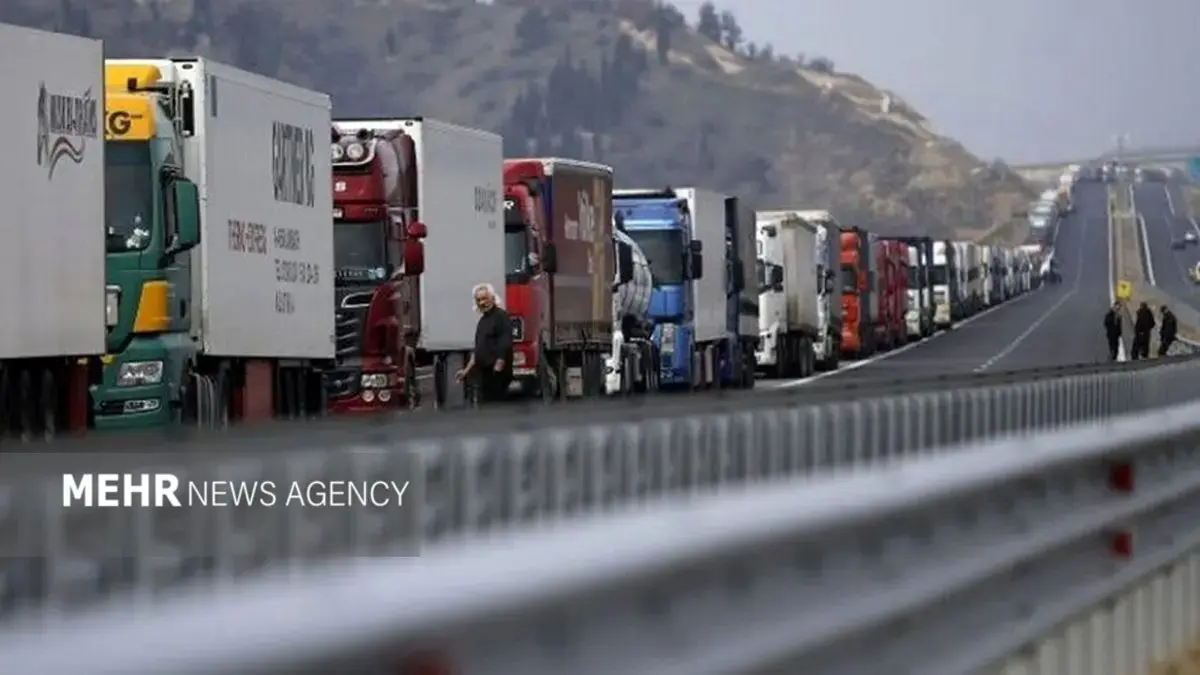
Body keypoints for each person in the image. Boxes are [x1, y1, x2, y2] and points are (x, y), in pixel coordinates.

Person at [456, 283, 513, 403]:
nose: (482, 303)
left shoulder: (500, 316)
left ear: (492, 298)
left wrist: (500, 362)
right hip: (483, 373)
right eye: (479, 300)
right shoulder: (482, 321)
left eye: (485, 298)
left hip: (496, 373)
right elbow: (477, 350)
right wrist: (466, 371)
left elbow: (505, 340)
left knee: (496, 408)